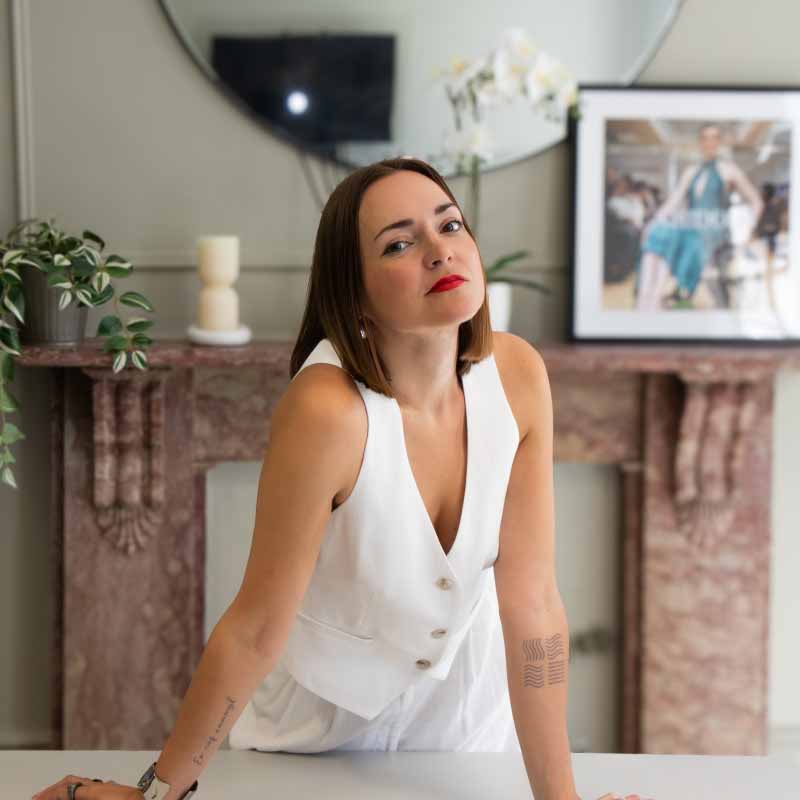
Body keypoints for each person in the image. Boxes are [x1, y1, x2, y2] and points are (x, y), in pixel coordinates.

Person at [32, 158, 651, 800]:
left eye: (451, 225)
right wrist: (158, 794)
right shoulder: (328, 411)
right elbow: (255, 625)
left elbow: (534, 603)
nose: (441, 252)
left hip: (465, 729)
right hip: (316, 741)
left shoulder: (519, 375)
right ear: (352, 292)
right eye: (400, 243)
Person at [635, 123, 763, 311]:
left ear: (719, 142)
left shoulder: (729, 169)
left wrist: (746, 234)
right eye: (705, 138)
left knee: (669, 239)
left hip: (716, 230)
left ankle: (658, 299)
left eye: (714, 138)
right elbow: (673, 201)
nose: (710, 142)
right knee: (657, 234)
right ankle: (648, 300)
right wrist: (654, 222)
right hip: (692, 225)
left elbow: (756, 202)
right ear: (700, 142)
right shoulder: (691, 171)